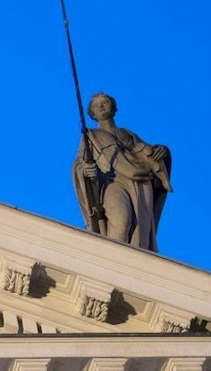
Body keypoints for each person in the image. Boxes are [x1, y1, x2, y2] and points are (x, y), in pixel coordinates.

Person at [73, 92, 171, 252]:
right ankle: (112, 264)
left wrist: (162, 151)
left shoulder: (127, 134)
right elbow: (79, 163)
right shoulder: (91, 136)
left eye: (105, 102)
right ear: (93, 114)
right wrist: (85, 169)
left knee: (138, 232)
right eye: (97, 105)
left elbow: (149, 153)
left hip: (139, 183)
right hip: (112, 181)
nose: (101, 106)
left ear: (113, 107)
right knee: (121, 220)